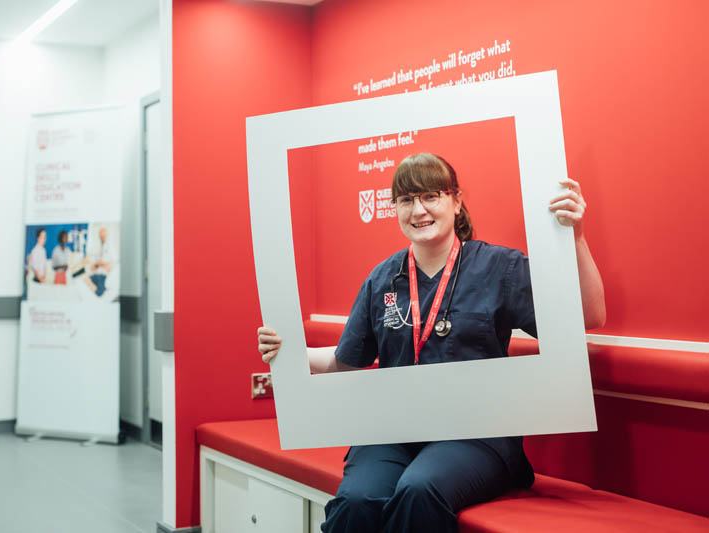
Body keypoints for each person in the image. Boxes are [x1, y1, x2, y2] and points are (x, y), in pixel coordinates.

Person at [257, 153, 605, 533]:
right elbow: (348, 360)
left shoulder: (498, 268)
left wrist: (577, 237)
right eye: (406, 200)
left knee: (419, 490)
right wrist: (289, 354)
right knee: (357, 500)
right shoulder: (383, 279)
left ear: (456, 202)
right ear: (395, 209)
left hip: (476, 435)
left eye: (430, 196)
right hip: (396, 430)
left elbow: (587, 317)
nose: (418, 210)